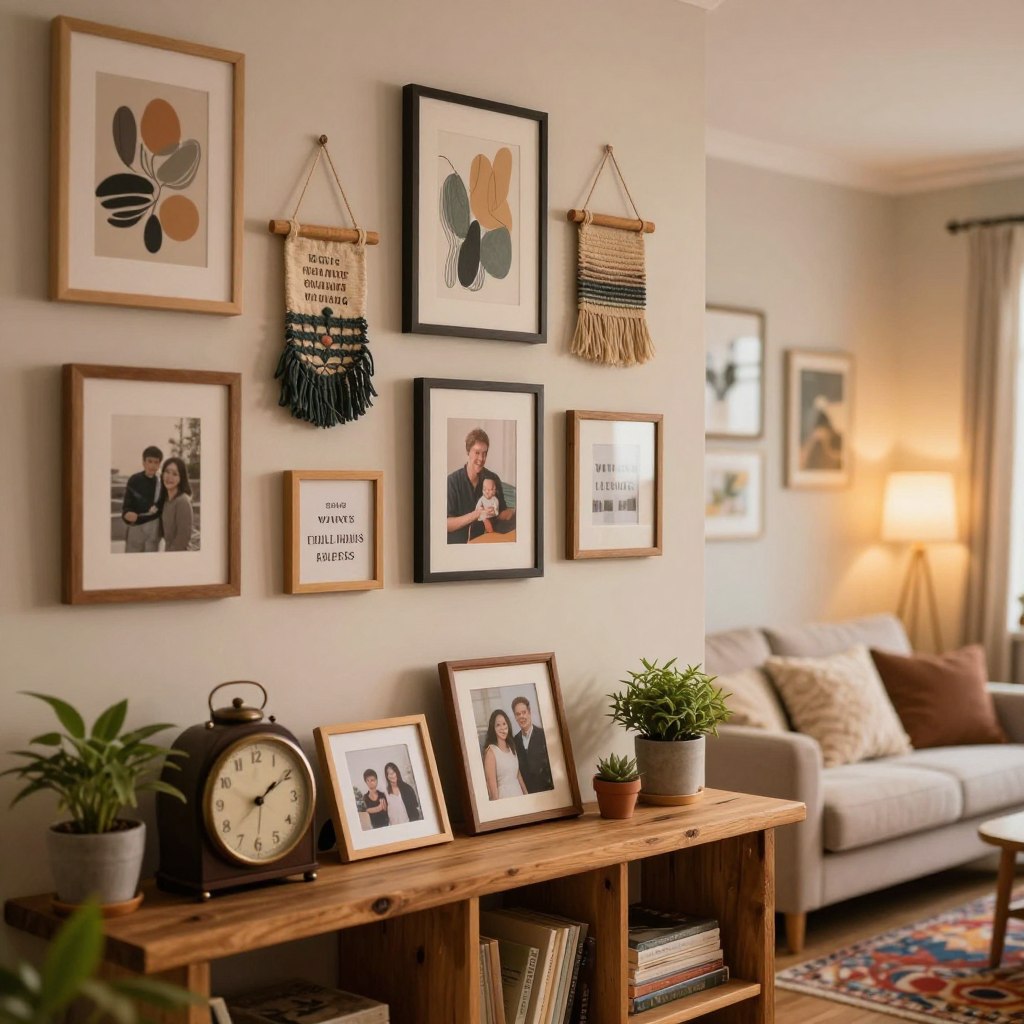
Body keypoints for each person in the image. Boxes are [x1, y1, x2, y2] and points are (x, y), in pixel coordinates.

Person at [446, 428, 515, 543]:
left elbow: (502, 513)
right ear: (468, 452)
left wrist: (514, 511)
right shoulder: (452, 481)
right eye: (477, 452)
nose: (481, 459)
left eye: (484, 453)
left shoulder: (493, 478)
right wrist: (477, 514)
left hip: (488, 540)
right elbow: (446, 524)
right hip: (460, 545)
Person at [121, 445, 164, 553]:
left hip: (153, 529)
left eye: (156, 462)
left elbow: (160, 508)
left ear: (159, 464)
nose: (153, 465)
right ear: (143, 462)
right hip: (135, 529)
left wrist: (139, 518)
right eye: (150, 461)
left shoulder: (161, 482)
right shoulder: (134, 479)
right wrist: (127, 514)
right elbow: (126, 506)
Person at [482, 709, 527, 800]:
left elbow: (517, 774)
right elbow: (492, 786)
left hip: (519, 795)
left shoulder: (512, 747)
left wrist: (526, 795)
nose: (502, 728)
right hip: (504, 799)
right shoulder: (491, 752)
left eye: (504, 724)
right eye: (498, 725)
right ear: (493, 728)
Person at [512, 696, 554, 794]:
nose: (521, 716)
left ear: (529, 712)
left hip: (546, 792)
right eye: (518, 714)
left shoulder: (544, 735)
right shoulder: (514, 741)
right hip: (526, 794)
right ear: (515, 717)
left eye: (524, 712)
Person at [159, 456, 195, 552]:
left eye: (175, 474)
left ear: (181, 478)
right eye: (167, 472)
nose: (169, 477)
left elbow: (182, 540)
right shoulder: (166, 500)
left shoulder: (183, 501)